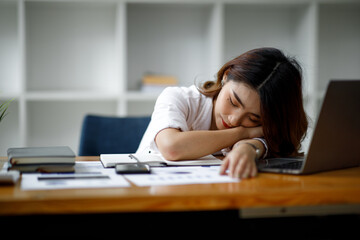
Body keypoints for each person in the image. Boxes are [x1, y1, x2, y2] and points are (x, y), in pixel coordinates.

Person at [136, 47, 308, 179]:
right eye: (233, 102)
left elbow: (258, 145)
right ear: (226, 76)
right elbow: (172, 147)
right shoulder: (179, 98)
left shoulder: (261, 129)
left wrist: (249, 148)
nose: (234, 119)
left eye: (253, 118)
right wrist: (244, 132)